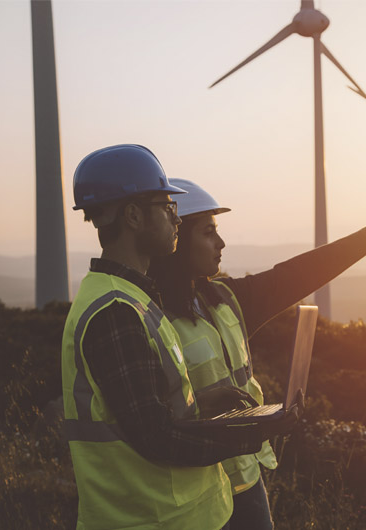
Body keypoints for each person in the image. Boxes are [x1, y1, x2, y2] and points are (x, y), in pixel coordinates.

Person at [147, 178, 366, 529]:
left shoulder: (226, 300)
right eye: (208, 233)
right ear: (178, 241)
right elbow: (152, 416)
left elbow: (299, 274)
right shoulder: (147, 315)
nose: (221, 243)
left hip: (244, 476)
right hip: (191, 490)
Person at [60, 144, 299, 530]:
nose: (176, 219)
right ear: (134, 216)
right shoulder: (115, 312)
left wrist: (204, 400)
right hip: (153, 520)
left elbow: (140, 411)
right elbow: (158, 438)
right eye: (168, 207)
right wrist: (252, 433)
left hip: (185, 516)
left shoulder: (134, 298)